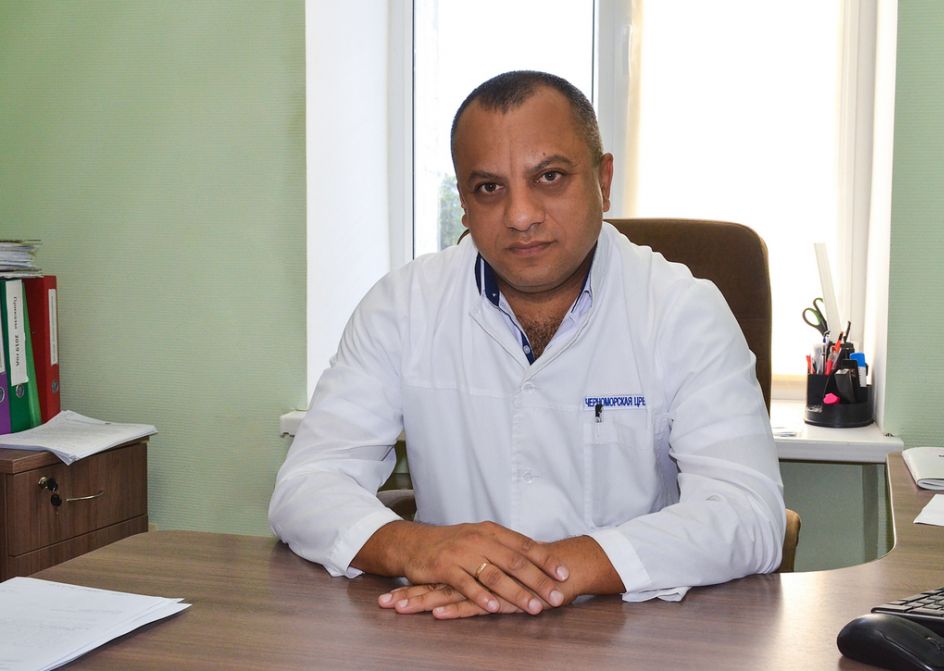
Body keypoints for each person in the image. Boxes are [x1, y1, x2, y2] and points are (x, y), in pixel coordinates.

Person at [268, 70, 784, 620]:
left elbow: (747, 511)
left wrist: (550, 570)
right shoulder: (403, 306)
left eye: (550, 177)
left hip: (629, 629)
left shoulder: (683, 311)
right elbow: (307, 485)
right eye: (489, 188)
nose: (520, 216)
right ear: (464, 204)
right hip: (450, 632)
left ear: (604, 180)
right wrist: (416, 547)